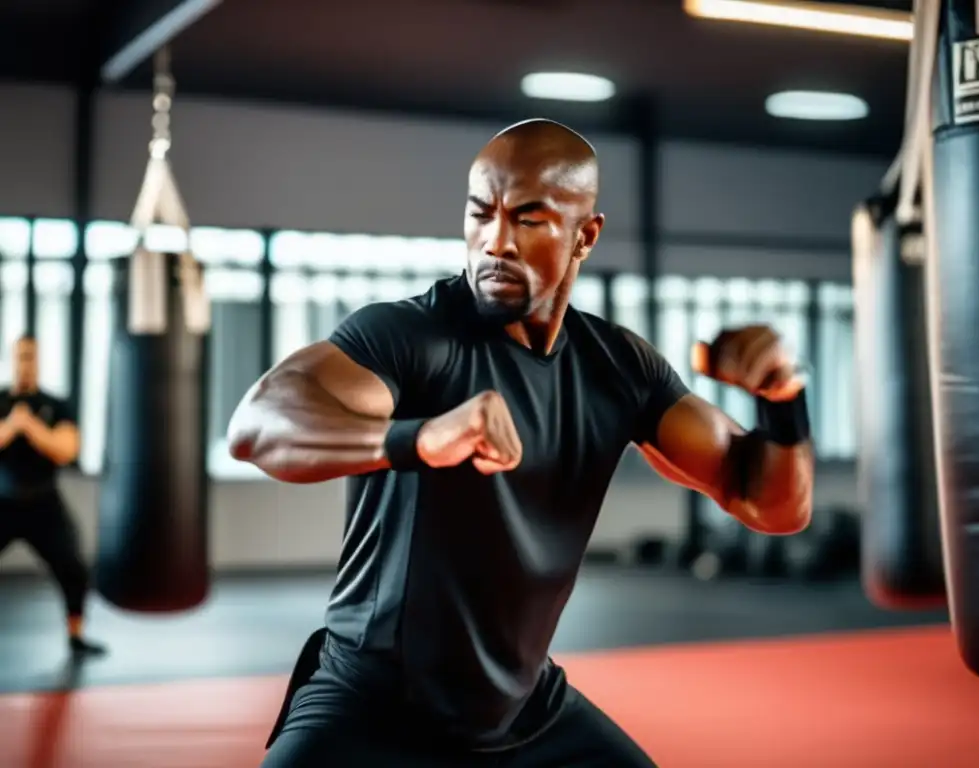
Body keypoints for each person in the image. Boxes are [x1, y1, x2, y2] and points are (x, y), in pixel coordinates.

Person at [228, 119, 815, 767]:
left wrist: (782, 403)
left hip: (522, 714)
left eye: (529, 220)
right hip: (376, 705)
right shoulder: (410, 336)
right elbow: (259, 427)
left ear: (584, 236)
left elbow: (770, 503)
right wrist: (419, 438)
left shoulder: (617, 367)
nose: (496, 242)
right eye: (481, 214)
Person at [0, 335, 106, 657]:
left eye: (31, 357)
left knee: (74, 567)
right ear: (12, 359)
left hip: (44, 503)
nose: (25, 363)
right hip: (3, 501)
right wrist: (11, 426)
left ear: (39, 360)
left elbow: (66, 449)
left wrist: (29, 426)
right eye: (21, 357)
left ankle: (76, 636)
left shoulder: (56, 405)